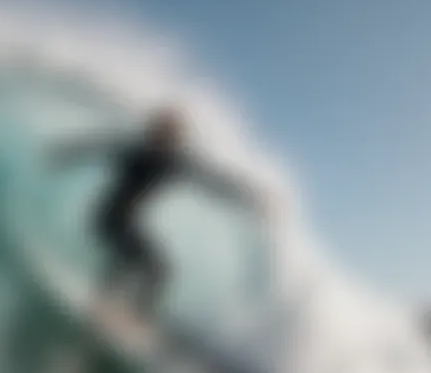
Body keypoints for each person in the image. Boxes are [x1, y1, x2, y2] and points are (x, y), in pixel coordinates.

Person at [47, 106, 275, 322]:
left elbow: (215, 181)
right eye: (159, 131)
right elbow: (96, 146)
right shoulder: (136, 150)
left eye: (169, 135)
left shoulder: (174, 162)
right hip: (107, 216)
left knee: (158, 269)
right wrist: (64, 154)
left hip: (123, 221)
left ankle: (130, 315)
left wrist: (251, 198)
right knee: (133, 258)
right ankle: (104, 307)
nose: (161, 138)